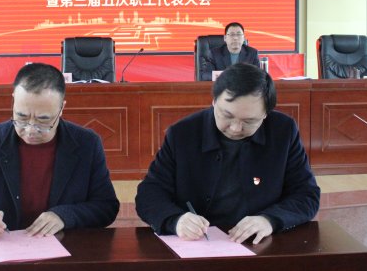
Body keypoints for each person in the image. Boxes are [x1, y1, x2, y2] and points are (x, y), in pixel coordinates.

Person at [136, 63, 320, 244]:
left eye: (249, 121)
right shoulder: (183, 134)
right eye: (227, 116)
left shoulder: (283, 131)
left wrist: (269, 220)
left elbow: (306, 194)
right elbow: (149, 194)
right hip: (198, 244)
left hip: (258, 244)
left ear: (266, 114)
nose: (235, 128)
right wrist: (176, 220)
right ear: (214, 101)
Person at [0, 63, 119, 239]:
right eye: (22, 117)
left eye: (43, 120)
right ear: (13, 101)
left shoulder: (87, 143)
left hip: (67, 246)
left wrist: (65, 216)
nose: (31, 130)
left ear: (61, 108)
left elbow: (106, 206)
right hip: (6, 246)